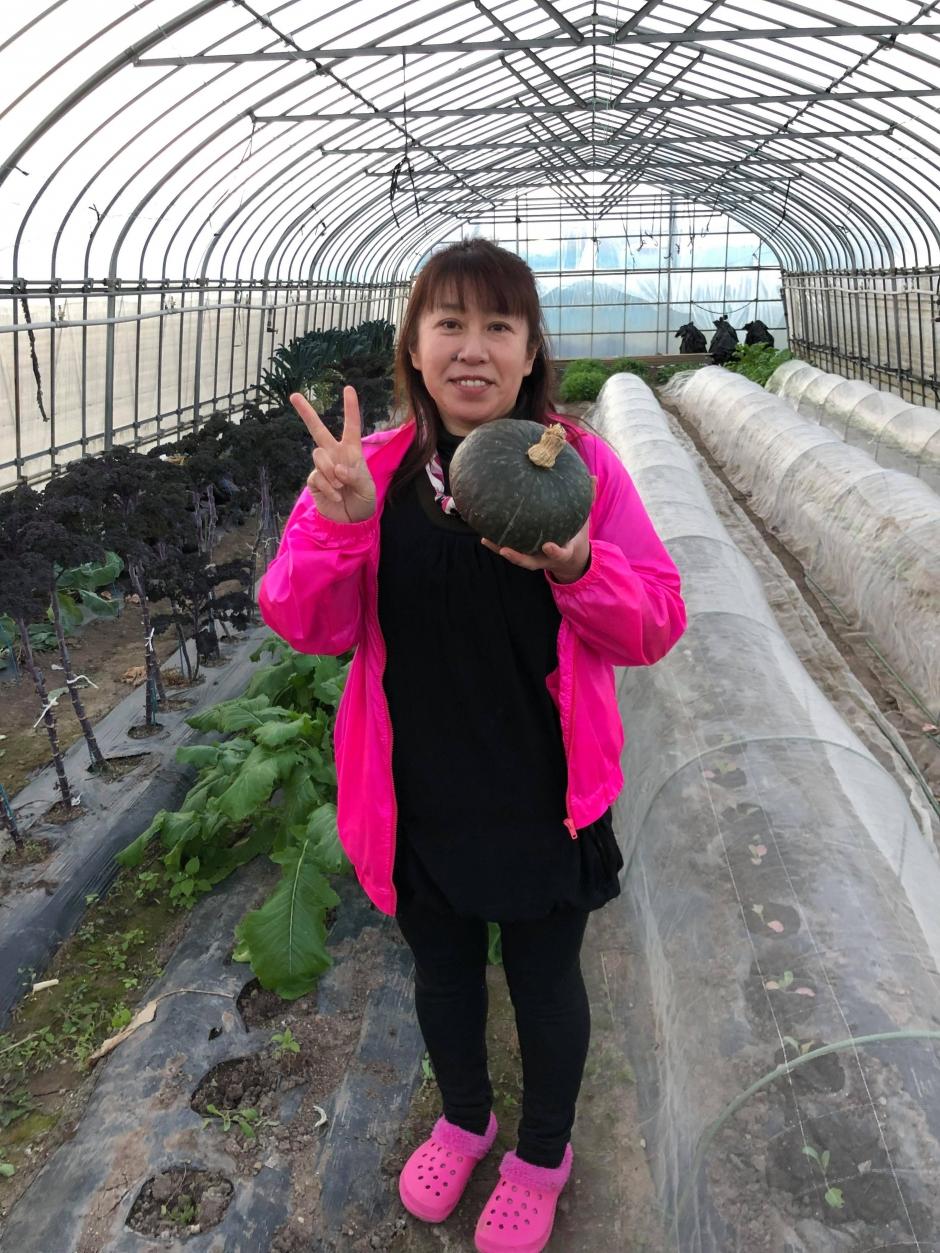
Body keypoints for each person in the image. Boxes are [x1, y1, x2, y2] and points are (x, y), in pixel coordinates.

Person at [258, 239, 686, 1252]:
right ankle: (463, 1117)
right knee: (442, 974)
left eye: (498, 324)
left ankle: (542, 1152)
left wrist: (578, 566)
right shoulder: (363, 473)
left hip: (544, 791)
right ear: (413, 345)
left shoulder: (580, 467)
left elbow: (655, 622)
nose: (471, 346)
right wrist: (341, 529)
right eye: (448, 322)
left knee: (545, 984)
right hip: (415, 791)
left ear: (531, 350)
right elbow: (307, 624)